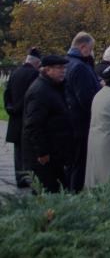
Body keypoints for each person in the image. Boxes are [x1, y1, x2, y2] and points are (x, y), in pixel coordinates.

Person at [22, 55, 73, 193]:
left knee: (58, 190)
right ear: (47, 70)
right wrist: (42, 152)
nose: (63, 71)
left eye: (64, 68)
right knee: (47, 192)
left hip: (56, 151)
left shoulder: (54, 87)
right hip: (45, 156)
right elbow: (33, 125)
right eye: (59, 68)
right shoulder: (40, 91)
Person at [65, 31, 102, 192]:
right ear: (83, 47)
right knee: (79, 164)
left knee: (73, 164)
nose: (92, 52)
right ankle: (76, 197)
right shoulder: (80, 67)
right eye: (91, 48)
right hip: (81, 124)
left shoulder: (67, 62)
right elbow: (87, 99)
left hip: (70, 121)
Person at [4, 47, 41, 188]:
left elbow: (7, 95)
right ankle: (28, 178)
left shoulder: (15, 72)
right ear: (37, 63)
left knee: (18, 151)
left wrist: (10, 109)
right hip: (27, 117)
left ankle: (19, 177)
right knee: (29, 150)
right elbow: (31, 96)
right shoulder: (34, 75)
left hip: (15, 118)